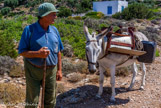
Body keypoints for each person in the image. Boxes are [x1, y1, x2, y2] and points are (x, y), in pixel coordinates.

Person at [18, 2, 64, 108]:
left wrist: (59, 70)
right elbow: (22, 51)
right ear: (44, 15)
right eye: (53, 14)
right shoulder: (29, 30)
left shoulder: (54, 30)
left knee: (51, 101)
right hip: (33, 70)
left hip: (51, 71)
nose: (55, 17)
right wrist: (38, 54)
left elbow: (59, 51)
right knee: (32, 101)